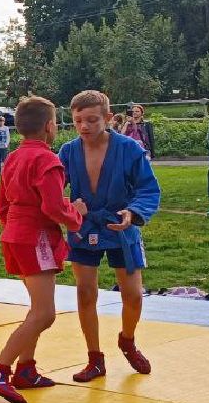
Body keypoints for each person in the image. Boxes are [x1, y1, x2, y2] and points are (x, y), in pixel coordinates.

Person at [0, 96, 82, 403]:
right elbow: (51, 206)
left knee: (37, 308)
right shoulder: (48, 160)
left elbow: (3, 203)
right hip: (34, 238)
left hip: (17, 235)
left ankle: (25, 369)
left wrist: (14, 228)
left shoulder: (12, 158)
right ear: (50, 126)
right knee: (45, 314)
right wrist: (75, 214)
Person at [59, 90, 162, 382]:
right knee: (85, 291)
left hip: (121, 225)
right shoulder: (67, 152)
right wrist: (68, 206)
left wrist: (133, 212)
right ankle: (95, 358)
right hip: (84, 227)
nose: (84, 126)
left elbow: (148, 188)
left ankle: (127, 339)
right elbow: (51, 189)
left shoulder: (129, 149)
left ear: (108, 118)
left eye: (92, 120)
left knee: (133, 296)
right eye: (78, 120)